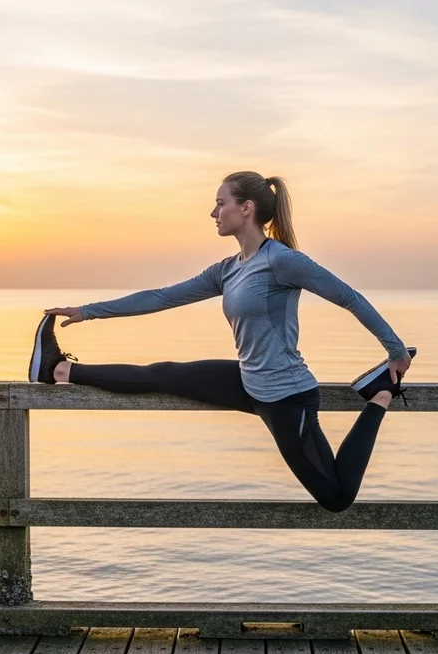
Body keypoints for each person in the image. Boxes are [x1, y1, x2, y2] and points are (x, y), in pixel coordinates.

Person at [30, 171, 416, 512]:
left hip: (286, 397)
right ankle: (59, 369)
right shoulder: (228, 270)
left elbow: (348, 296)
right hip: (248, 381)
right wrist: (87, 310)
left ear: (246, 208)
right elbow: (162, 297)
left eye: (220, 203)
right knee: (164, 374)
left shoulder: (281, 260)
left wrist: (395, 351)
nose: (213, 212)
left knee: (336, 497)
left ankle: (379, 395)